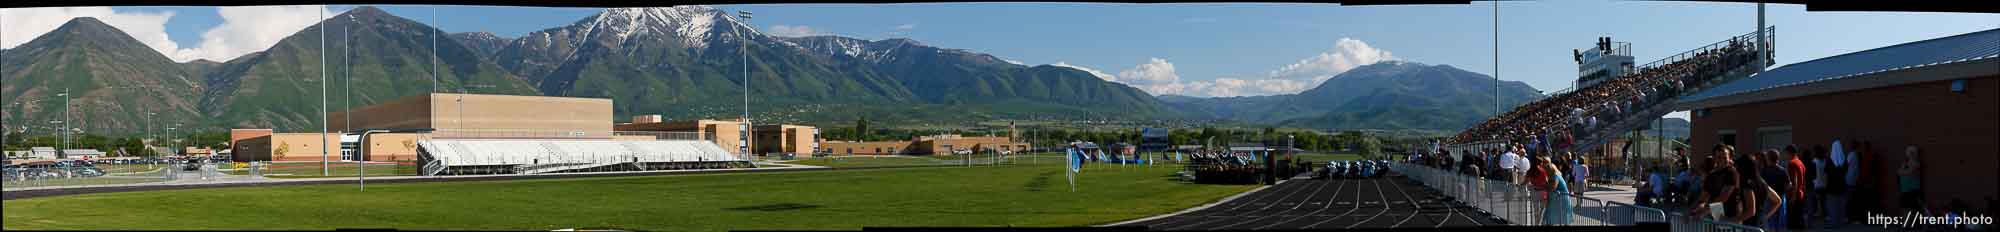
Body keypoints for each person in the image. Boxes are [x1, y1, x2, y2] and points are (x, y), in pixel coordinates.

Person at [1691, 145, 1740, 221]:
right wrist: (1690, 210)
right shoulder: (1712, 175)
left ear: (1729, 158)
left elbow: (1723, 197)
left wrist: (1704, 211)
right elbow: (1703, 196)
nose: (1723, 160)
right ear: (1714, 158)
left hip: (1731, 218)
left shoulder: (1731, 172)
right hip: (1716, 216)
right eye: (1719, 157)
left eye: (1725, 157)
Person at [1542, 156, 1574, 225]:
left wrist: (1545, 186)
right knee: (1554, 217)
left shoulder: (1555, 176)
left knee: (1563, 218)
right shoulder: (1552, 176)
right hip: (1558, 199)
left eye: (1547, 170)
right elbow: (1549, 186)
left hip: (1563, 198)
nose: (1546, 172)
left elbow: (1553, 187)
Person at [1898, 145, 1923, 215]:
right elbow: (1899, 172)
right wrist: (1903, 171)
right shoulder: (1905, 163)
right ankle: (1905, 223)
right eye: (1909, 153)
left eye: (1912, 153)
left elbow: (1909, 172)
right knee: (1905, 207)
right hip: (1905, 189)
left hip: (1913, 190)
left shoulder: (1916, 163)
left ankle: (1910, 223)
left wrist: (1903, 171)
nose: (1910, 155)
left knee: (1912, 208)